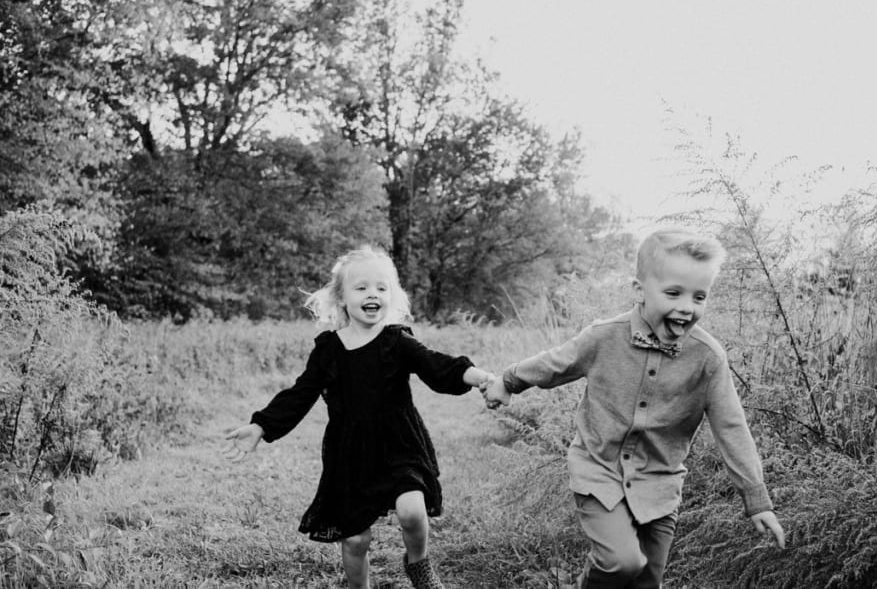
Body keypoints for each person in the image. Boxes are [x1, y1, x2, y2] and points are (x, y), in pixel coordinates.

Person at [483, 227, 785, 588]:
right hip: (599, 471)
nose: (687, 307)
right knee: (621, 562)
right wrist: (508, 381)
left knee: (648, 580)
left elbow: (731, 427)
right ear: (639, 290)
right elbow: (555, 364)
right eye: (673, 293)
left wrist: (757, 499)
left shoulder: (708, 359)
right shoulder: (603, 336)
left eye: (699, 296)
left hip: (660, 483)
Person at [223, 245, 495, 589]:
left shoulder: (397, 341)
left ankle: (419, 565)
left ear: (392, 296)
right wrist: (261, 425)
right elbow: (300, 394)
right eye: (362, 287)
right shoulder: (328, 350)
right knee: (354, 539)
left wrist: (482, 378)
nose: (372, 294)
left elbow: (439, 366)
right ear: (341, 297)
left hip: (399, 443)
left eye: (382, 287)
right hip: (349, 453)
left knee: (412, 510)